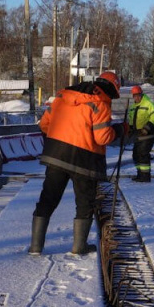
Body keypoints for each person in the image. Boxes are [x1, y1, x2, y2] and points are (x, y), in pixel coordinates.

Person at [28, 71, 126, 255]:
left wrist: (62, 137)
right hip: (85, 160)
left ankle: (35, 246)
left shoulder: (62, 96)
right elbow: (103, 137)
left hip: (56, 155)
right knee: (84, 202)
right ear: (112, 89)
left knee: (48, 199)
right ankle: (79, 246)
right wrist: (120, 130)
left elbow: (44, 125)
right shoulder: (100, 103)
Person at [127, 85, 154, 182]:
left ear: (141, 94)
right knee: (135, 154)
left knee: (143, 153)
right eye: (135, 95)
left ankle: (145, 177)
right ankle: (140, 174)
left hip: (148, 133)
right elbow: (132, 120)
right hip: (139, 134)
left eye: (138, 95)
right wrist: (130, 129)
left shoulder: (148, 104)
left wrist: (147, 128)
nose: (137, 97)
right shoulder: (133, 107)